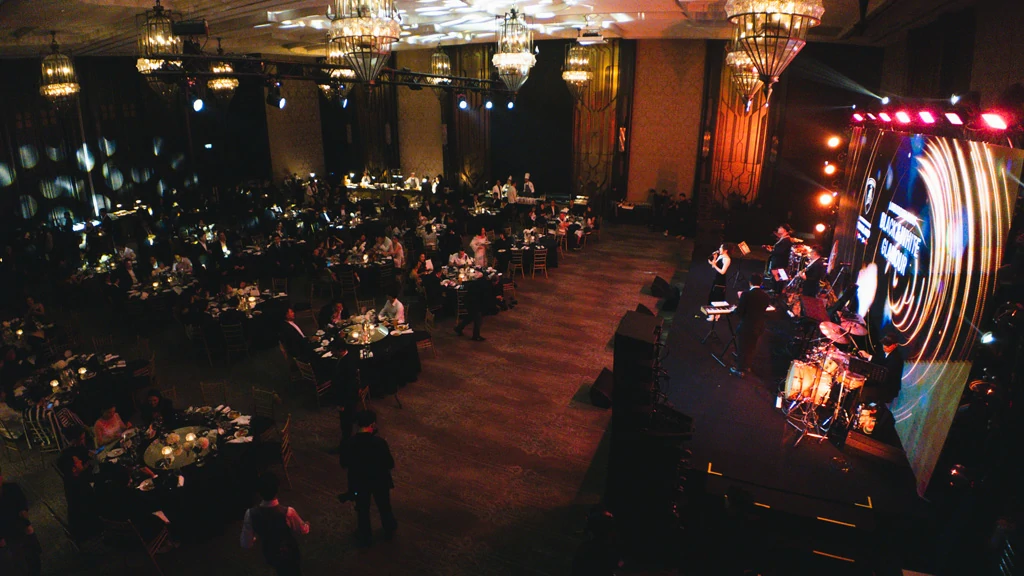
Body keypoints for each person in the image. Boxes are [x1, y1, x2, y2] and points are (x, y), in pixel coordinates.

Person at [339, 411, 397, 547]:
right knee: (384, 506)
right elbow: (390, 463)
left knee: (362, 509)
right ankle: (389, 528)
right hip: (379, 481)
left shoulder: (349, 443)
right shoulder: (379, 443)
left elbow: (344, 463)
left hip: (359, 482)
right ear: (372, 424)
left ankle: (365, 535)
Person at [241, 472, 310, 576]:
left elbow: (246, 543)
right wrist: (307, 525)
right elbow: (303, 530)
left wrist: (256, 537)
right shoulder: (288, 512)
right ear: (277, 490)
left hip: (270, 554)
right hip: (289, 553)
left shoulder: (250, 514)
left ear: (259, 492)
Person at [0, 468, 42, 576]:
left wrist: (24, 512)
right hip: (4, 534)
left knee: (33, 557)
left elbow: (22, 504)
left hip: (19, 526)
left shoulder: (12, 488)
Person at [729, 273, 771, 378]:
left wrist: (734, 309)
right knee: (752, 347)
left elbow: (740, 312)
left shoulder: (746, 295)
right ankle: (747, 366)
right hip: (759, 326)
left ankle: (739, 370)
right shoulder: (766, 296)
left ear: (750, 283)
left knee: (742, 347)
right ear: (761, 283)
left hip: (746, 326)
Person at [861, 334, 904, 405]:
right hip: (880, 383)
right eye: (884, 344)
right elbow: (880, 361)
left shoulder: (897, 358)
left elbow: (884, 369)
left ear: (895, 345)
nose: (884, 347)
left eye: (888, 345)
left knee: (865, 391)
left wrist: (869, 357)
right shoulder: (882, 352)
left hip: (888, 388)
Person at [454, 276, 487, 342]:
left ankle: (458, 328)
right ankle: (476, 335)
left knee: (470, 317)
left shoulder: (474, 284)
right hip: (473, 303)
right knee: (477, 319)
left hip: (470, 302)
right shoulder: (481, 286)